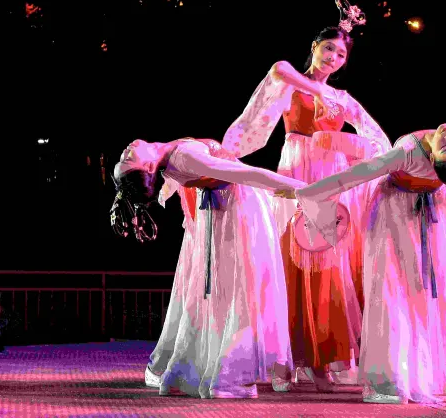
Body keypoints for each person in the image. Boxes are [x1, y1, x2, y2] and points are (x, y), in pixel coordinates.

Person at [281, 124, 446, 404]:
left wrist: (307, 192)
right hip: (402, 215)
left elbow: (353, 176)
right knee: (398, 291)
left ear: (434, 158)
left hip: (414, 218)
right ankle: (403, 376)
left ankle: (424, 377)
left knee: (428, 291)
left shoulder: (413, 153)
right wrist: (310, 193)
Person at [221, 0, 391, 390]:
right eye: (328, 48)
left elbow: (378, 141)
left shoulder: (343, 99)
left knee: (327, 263)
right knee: (288, 259)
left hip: (329, 178)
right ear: (314, 47)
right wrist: (317, 92)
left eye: (341, 54)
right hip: (296, 170)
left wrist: (348, 147)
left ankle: (321, 359)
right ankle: (284, 359)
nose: (333, 57)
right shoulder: (291, 86)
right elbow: (278, 70)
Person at [110, 138, 303, 398]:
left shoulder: (170, 159)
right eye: (128, 159)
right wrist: (301, 189)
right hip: (238, 206)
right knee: (245, 288)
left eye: (123, 157)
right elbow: (245, 173)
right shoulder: (185, 158)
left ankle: (197, 372)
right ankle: (230, 376)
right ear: (149, 167)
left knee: (230, 290)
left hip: (221, 208)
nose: (126, 150)